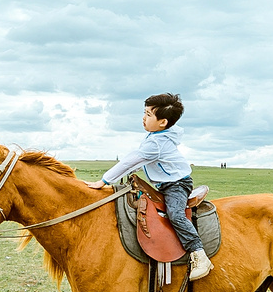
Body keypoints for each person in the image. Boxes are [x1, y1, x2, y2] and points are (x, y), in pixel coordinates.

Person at [85, 93, 212, 280]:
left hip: (176, 185)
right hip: (165, 184)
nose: (143, 118)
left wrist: (104, 181)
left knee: (175, 214)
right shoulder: (156, 136)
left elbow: (129, 161)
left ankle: (199, 254)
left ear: (163, 122)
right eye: (144, 112)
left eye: (149, 114)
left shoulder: (156, 143)